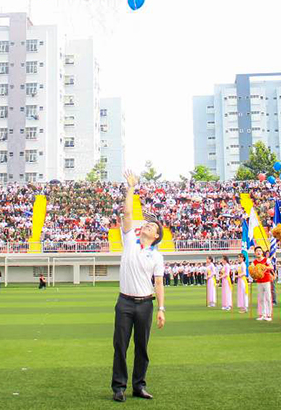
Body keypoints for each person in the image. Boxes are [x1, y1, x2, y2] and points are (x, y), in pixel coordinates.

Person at [111, 171, 164, 403]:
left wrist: (161, 308)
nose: (148, 225)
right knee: (120, 346)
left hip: (145, 304)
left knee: (142, 347)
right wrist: (131, 188)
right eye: (147, 224)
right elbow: (128, 213)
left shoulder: (157, 256)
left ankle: (139, 385)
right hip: (124, 302)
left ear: (157, 235)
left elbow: (159, 283)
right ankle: (119, 387)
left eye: (152, 226)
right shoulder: (130, 240)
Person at [251, 245, 273, 322]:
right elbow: (252, 271)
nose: (258, 252)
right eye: (257, 251)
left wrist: (264, 267)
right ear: (255, 253)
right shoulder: (254, 262)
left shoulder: (266, 260)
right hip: (259, 282)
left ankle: (269, 315)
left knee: (268, 298)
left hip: (266, 280)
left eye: (260, 251)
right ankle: (262, 314)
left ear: (262, 252)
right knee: (261, 299)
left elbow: (271, 267)